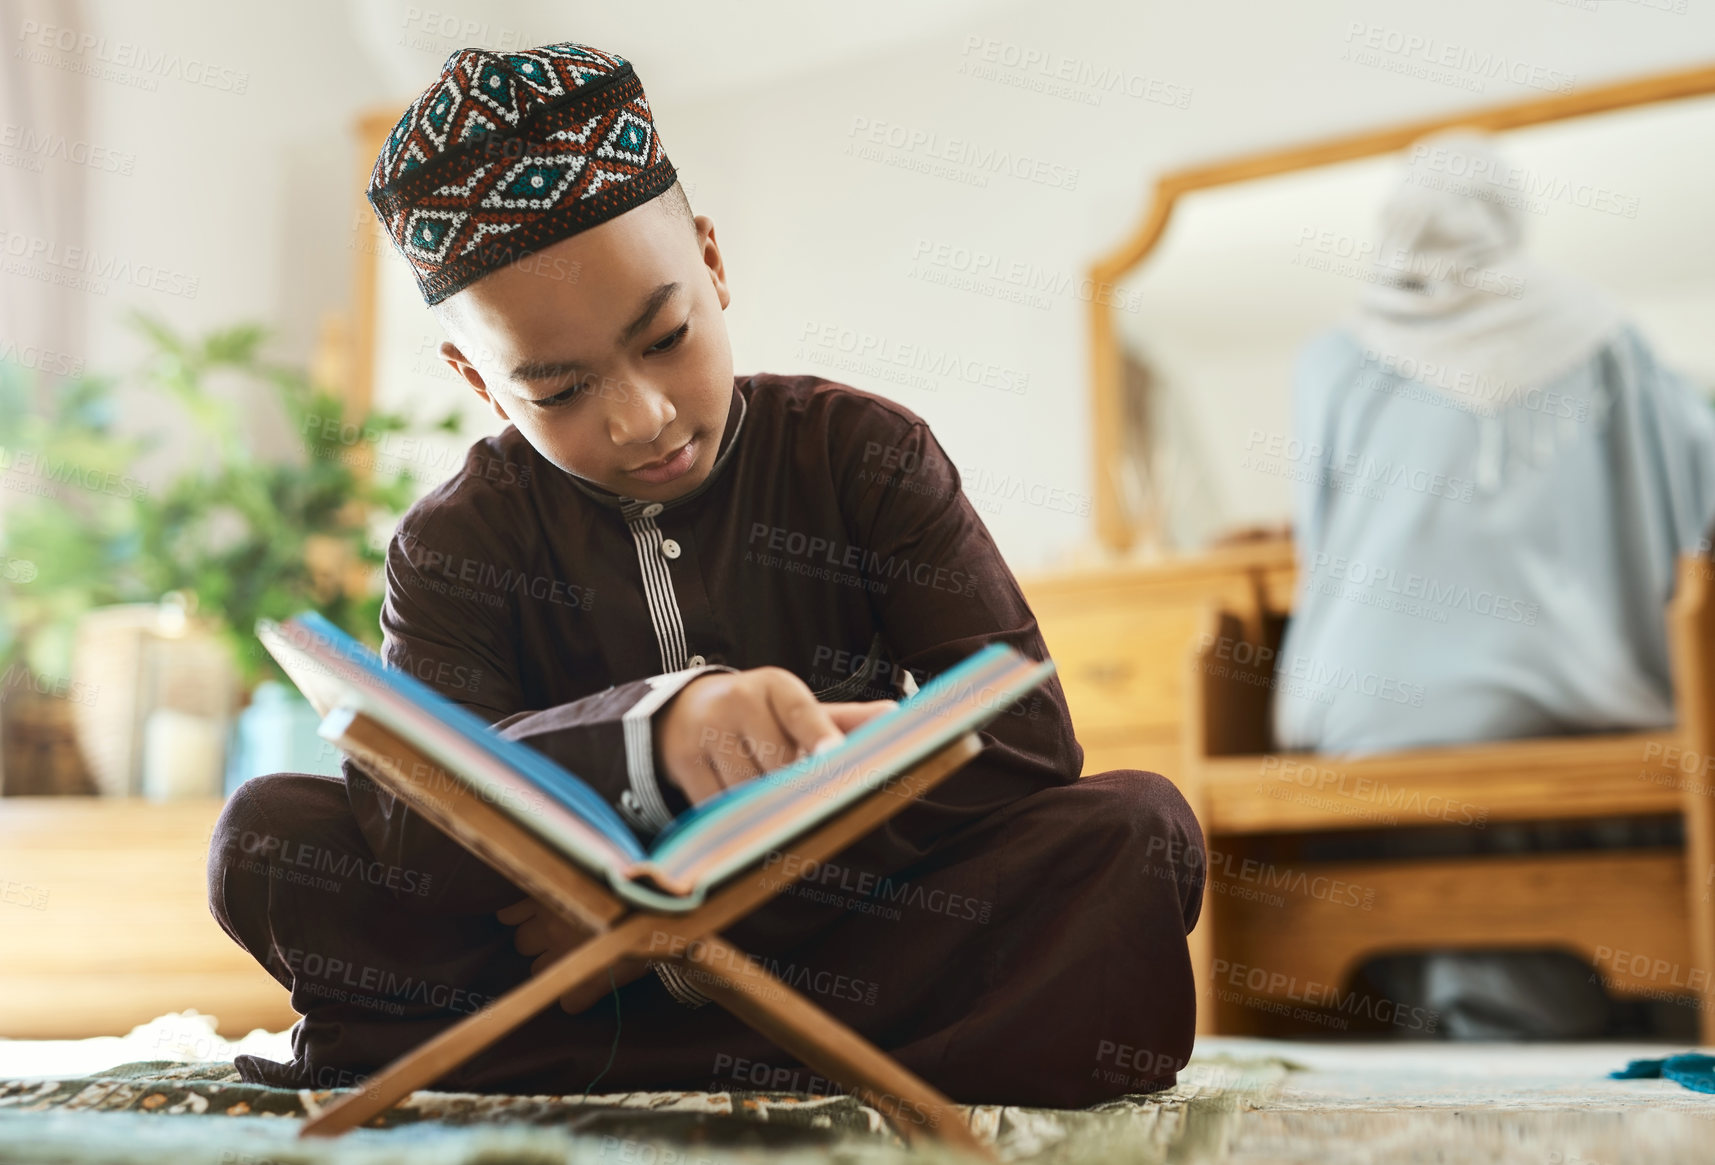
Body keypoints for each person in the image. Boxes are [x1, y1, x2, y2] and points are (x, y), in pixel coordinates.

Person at [206, 41, 1205, 1106]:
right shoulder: (451, 542)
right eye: (557, 390)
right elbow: (416, 831)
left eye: (667, 336)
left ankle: (558, 1067)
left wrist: (697, 913)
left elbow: (1021, 740)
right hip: (549, 953)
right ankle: (843, 1055)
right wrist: (655, 733)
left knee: (1136, 833)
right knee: (270, 837)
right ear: (481, 384)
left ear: (713, 266)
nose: (640, 416)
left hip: (818, 936)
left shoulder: (864, 452)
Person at [1272, 131, 1715, 1037]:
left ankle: (1443, 1014)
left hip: (1367, 706)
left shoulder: (1331, 359)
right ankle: (1589, 1007)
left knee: (1420, 755)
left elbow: (1317, 550)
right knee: (1590, 703)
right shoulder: (1601, 335)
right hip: (1568, 688)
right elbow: (1677, 507)